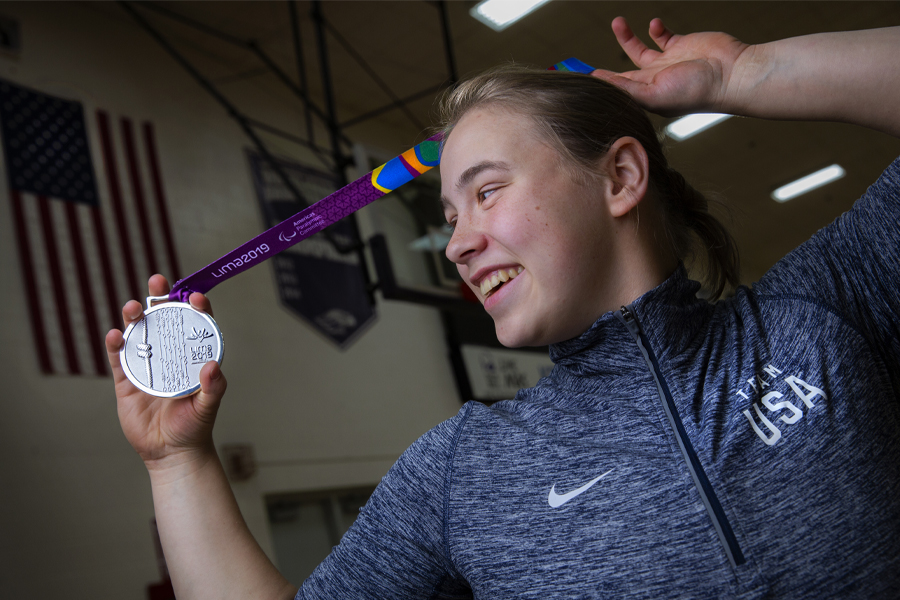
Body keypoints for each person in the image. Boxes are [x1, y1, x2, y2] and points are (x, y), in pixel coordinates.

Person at [106, 17, 900, 599]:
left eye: (487, 192)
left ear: (621, 179)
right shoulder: (464, 471)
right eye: (451, 217)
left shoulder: (825, 313)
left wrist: (745, 77)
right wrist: (179, 464)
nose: (457, 245)